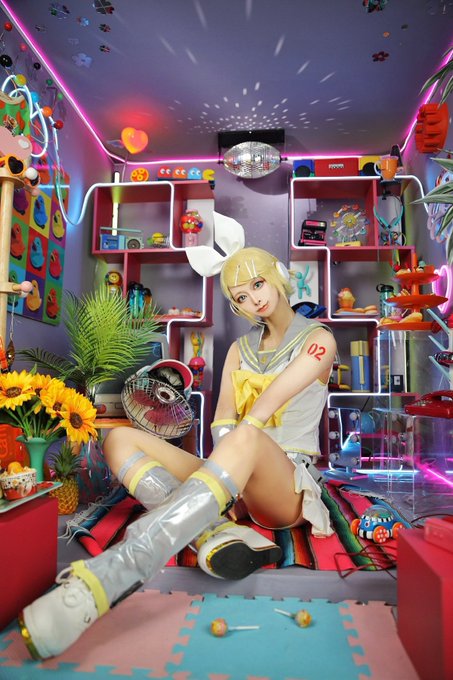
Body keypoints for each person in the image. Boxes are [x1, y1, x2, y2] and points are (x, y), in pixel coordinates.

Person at [19, 213, 336, 660]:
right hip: (237, 473)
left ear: (276, 277)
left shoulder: (320, 338)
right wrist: (228, 457)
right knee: (119, 440)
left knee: (247, 433)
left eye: (258, 285)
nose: (254, 299)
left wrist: (238, 440)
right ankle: (211, 531)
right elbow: (222, 418)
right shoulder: (240, 349)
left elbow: (268, 404)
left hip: (284, 488)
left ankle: (111, 575)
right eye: (241, 297)